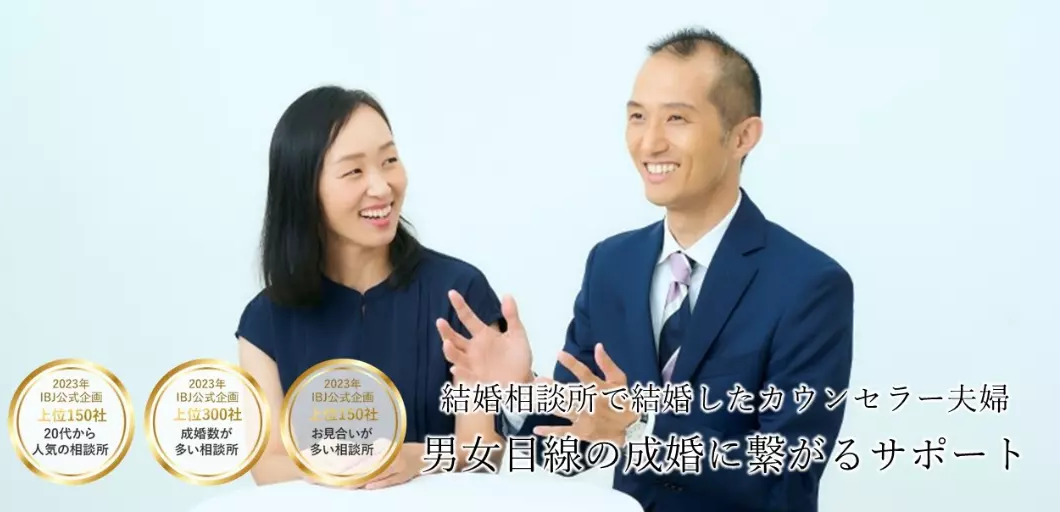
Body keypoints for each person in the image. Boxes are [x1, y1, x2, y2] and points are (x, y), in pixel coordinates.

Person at [439, 27, 853, 511]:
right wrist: (521, 392)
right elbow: (566, 449)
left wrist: (640, 432)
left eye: (677, 118)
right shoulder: (612, 265)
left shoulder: (808, 285)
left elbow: (787, 474)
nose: (649, 142)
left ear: (743, 136)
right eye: (637, 117)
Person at [236, 85, 506, 489]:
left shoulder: (460, 292)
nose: (381, 187)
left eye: (389, 160)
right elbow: (268, 466)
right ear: (304, 189)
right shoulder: (265, 320)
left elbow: (487, 447)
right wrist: (344, 464)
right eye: (354, 172)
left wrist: (416, 457)